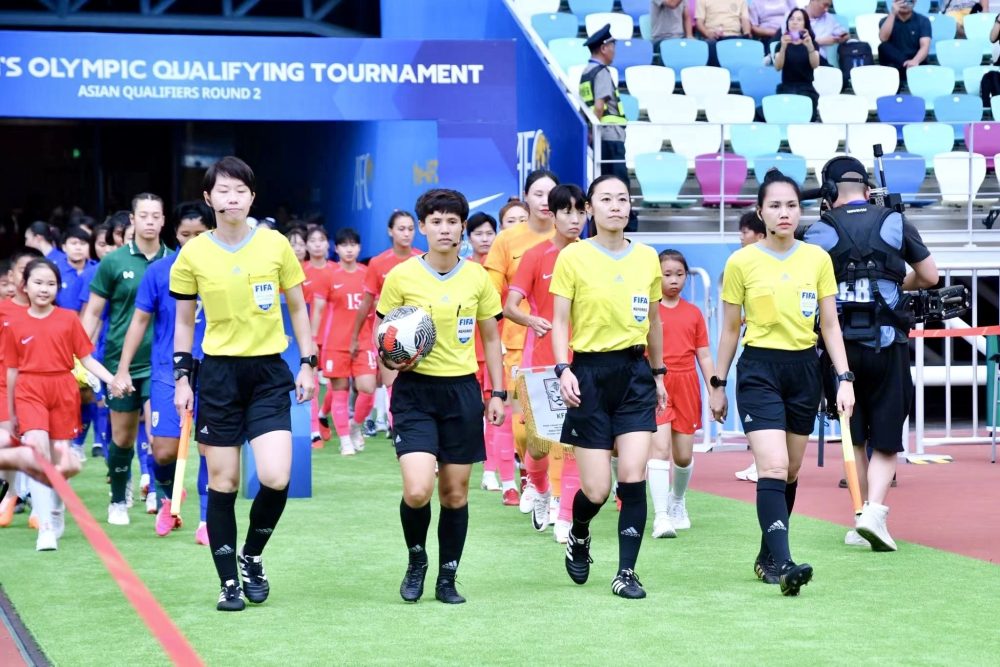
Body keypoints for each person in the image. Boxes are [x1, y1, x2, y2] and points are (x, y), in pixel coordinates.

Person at [170, 156, 316, 611]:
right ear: (208, 198)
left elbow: (297, 308)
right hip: (217, 375)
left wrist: (308, 362)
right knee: (224, 483)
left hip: (270, 372)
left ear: (252, 197)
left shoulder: (274, 245)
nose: (232, 198)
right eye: (223, 190)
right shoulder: (193, 253)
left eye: (241, 190)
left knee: (275, 476)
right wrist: (181, 378)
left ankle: (252, 554)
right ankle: (228, 581)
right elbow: (183, 322)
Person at [711, 169, 855, 596]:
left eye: (791, 205)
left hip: (803, 371)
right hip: (759, 371)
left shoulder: (817, 259)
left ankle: (765, 556)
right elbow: (729, 330)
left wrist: (844, 378)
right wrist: (717, 383)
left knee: (790, 471)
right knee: (771, 466)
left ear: (801, 210)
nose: (784, 213)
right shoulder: (741, 262)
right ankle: (785, 562)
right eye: (774, 205)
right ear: (760, 212)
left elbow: (829, 325)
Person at [376, 188, 505, 605]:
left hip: (461, 391)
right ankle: (417, 560)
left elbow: (490, 338)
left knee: (455, 493)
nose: (445, 228)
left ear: (462, 227)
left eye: (452, 221)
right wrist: (392, 375)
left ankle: (448, 576)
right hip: (414, 392)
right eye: (436, 221)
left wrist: (497, 392)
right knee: (417, 490)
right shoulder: (401, 277)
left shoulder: (477, 277)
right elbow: (382, 338)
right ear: (424, 227)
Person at [803, 156, 938, 552]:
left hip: (840, 349)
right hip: (888, 341)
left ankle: (862, 514)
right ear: (866, 187)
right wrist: (894, 279)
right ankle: (875, 511)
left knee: (854, 434)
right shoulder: (896, 222)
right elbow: (930, 276)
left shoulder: (818, 231)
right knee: (886, 436)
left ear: (828, 192)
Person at [551, 174, 666, 600]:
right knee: (597, 489)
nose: (616, 206)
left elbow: (654, 321)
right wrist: (564, 368)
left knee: (633, 475)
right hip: (588, 376)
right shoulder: (574, 257)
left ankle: (626, 572)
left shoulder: (647, 257)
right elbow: (560, 321)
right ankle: (579, 532)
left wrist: (658, 374)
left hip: (635, 374)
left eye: (622, 198)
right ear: (589, 210)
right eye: (606, 199)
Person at [113, 203, 212, 542]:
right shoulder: (159, 272)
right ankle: (169, 494)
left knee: (210, 450)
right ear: (176, 234)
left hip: (214, 369)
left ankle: (205, 521)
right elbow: (139, 321)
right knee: (164, 450)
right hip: (167, 371)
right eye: (186, 234)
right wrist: (123, 368)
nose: (192, 241)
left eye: (199, 234)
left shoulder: (223, 269)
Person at [5, 258, 118, 550]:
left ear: (58, 287)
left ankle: (55, 509)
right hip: (30, 390)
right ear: (25, 286)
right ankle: (45, 527)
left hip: (63, 390)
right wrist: (12, 413)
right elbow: (13, 370)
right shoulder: (14, 323)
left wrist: (113, 379)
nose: (44, 289)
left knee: (58, 461)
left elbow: (87, 358)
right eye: (38, 283)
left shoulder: (68, 319)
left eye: (51, 284)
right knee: (39, 453)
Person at [81, 193, 171, 526]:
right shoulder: (114, 262)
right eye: (143, 215)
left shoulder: (175, 261)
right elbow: (92, 312)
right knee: (122, 438)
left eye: (155, 215)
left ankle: (163, 499)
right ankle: (118, 498)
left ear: (163, 221)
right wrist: (79, 356)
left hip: (161, 365)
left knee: (162, 440)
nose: (149, 221)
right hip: (120, 364)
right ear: (132, 220)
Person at [504, 184, 585, 541]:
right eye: (567, 211)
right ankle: (538, 488)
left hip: (583, 361)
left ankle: (565, 514)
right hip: (542, 363)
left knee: (572, 443)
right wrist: (531, 321)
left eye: (580, 211)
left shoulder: (591, 255)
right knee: (537, 444)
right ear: (552, 215)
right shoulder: (536, 256)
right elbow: (510, 306)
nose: (575, 219)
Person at [484, 169, 559, 508]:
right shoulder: (507, 240)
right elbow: (490, 294)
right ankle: (530, 476)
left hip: (560, 346)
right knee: (522, 424)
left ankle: (552, 491)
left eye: (551, 194)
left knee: (555, 422)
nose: (545, 201)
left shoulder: (569, 237)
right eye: (538, 193)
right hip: (515, 344)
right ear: (525, 196)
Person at [648, 249, 715, 539]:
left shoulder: (694, 313)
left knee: (683, 456)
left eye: (679, 274)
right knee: (659, 450)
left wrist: (715, 390)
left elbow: (705, 356)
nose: (674, 280)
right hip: (657, 383)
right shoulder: (650, 311)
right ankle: (661, 516)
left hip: (687, 385)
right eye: (667, 274)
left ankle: (677, 500)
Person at [348, 211, 421, 437]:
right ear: (390, 231)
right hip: (386, 335)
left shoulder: (422, 259)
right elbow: (366, 303)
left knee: (419, 386)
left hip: (417, 334)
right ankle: (398, 431)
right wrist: (355, 337)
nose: (407, 233)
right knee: (392, 387)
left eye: (410, 228)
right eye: (401, 228)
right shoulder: (378, 263)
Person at [318, 227, 378, 456]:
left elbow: (375, 305)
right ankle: (344, 440)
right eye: (344, 245)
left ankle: (354, 426)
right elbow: (319, 311)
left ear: (359, 248)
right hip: (336, 343)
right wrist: (315, 340)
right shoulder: (330, 275)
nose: (349, 249)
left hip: (363, 341)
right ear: (337, 248)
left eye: (353, 245)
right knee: (339, 390)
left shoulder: (367, 273)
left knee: (368, 388)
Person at [0, 249, 43, 527]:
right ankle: (12, 493)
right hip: (5, 387)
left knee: (39, 447)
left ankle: (40, 505)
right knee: (7, 443)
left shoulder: (49, 311)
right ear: (13, 276)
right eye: (22, 270)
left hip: (39, 388)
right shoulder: (2, 310)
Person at [465, 212, 502, 491]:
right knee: (468, 413)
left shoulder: (500, 269)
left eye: (490, 233)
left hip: (494, 350)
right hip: (464, 353)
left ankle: (490, 470)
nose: (485, 239)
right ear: (469, 237)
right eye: (479, 234)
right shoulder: (463, 269)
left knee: (494, 408)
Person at [733, 212, 767, 483]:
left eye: (744, 232)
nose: (740, 237)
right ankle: (758, 461)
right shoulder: (742, 264)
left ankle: (764, 463)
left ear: (758, 234)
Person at [580, 24, 629, 188]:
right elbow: (599, 106)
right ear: (603, 48)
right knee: (618, 181)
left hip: (600, 137)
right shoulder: (601, 72)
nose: (614, 50)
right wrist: (594, 132)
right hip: (609, 135)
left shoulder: (586, 72)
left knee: (605, 181)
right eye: (612, 46)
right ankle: (625, 213)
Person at [302, 226, 337, 445]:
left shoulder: (336, 270)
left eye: (321, 240)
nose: (317, 244)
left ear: (328, 244)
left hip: (334, 336)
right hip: (309, 338)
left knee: (338, 385)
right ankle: (314, 430)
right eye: (312, 240)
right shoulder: (299, 270)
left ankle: (323, 415)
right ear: (306, 245)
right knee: (312, 382)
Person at [774, 8, 821, 119]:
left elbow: (815, 65)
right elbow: (778, 67)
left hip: (806, 89)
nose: (794, 22)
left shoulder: (812, 44)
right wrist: (783, 48)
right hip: (787, 88)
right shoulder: (780, 44)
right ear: (787, 23)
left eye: (799, 19)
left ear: (805, 24)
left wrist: (810, 47)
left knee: (800, 107)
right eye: (792, 19)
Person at [878, 1, 931, 83]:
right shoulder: (886, 20)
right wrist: (892, 14)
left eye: (909, 1)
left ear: (914, 2)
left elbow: (925, 46)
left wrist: (915, 61)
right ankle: (905, 64)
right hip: (895, 65)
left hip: (916, 64)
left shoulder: (923, 20)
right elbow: (883, 38)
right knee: (883, 47)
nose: (905, 3)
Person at [695, 0, 751, 66]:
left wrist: (747, 33)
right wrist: (708, 34)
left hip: (734, 36)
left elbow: (745, 20)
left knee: (747, 45)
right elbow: (699, 23)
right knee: (710, 45)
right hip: (714, 37)